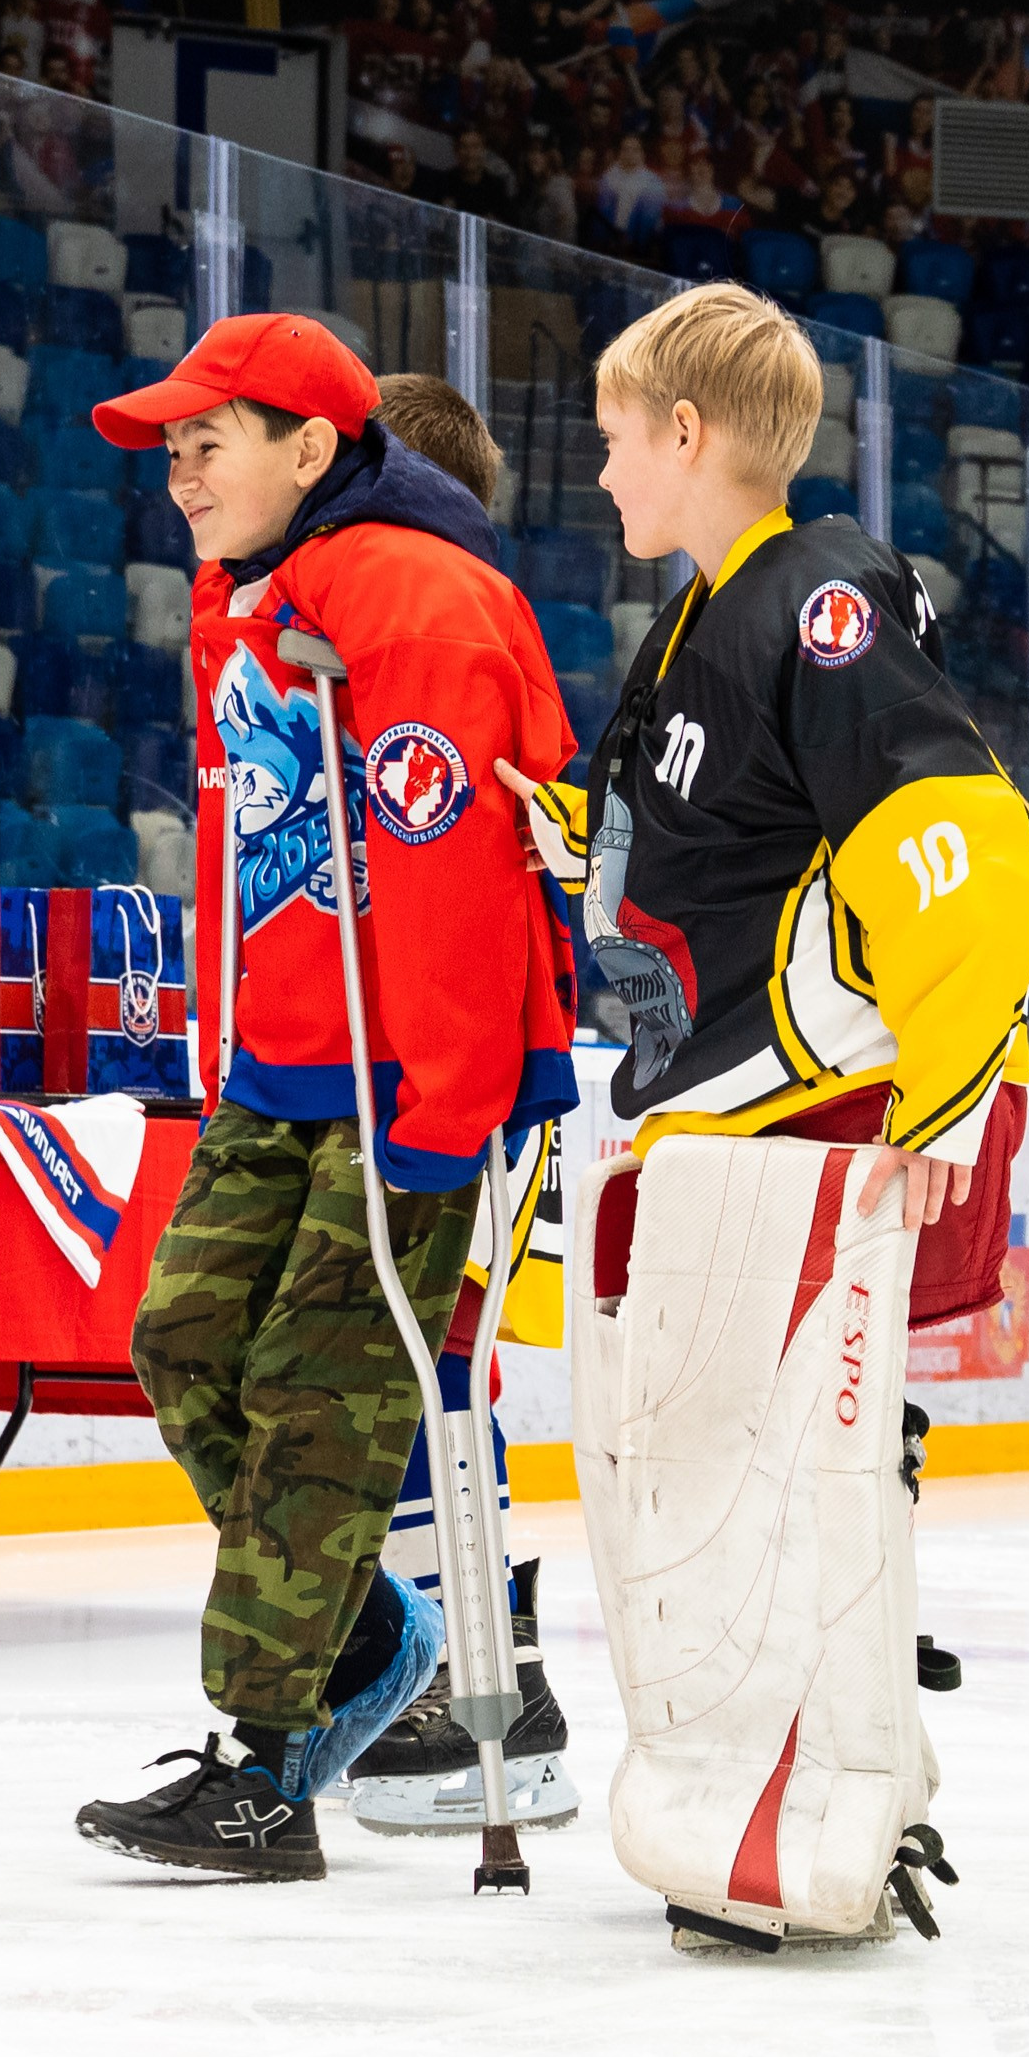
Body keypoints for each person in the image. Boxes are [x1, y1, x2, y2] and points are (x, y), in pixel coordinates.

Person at [75, 315, 581, 1880]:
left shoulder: (416, 603)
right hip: (285, 1063)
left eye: (205, 445)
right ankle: (366, 1639)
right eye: (169, 450)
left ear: (313, 447)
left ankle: (263, 1770)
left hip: (413, 1076)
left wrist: (444, 1113)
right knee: (183, 1344)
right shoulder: (251, 599)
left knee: (317, 1394)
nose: (177, 479)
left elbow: (455, 881)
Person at [499, 278, 1029, 1416]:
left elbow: (960, 833)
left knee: (772, 1465)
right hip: (743, 1114)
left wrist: (947, 1086)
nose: (600, 473)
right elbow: (714, 837)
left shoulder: (812, 604)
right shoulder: (698, 618)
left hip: (834, 1100)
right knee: (712, 1460)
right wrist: (556, 829)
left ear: (684, 431)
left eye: (613, 440)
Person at [342, 371, 579, 1836]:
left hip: (460, 1066)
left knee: (430, 1356)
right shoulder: (446, 626)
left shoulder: (437, 637)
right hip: (475, 1061)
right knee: (436, 1361)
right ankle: (491, 1660)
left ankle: (461, 1683)